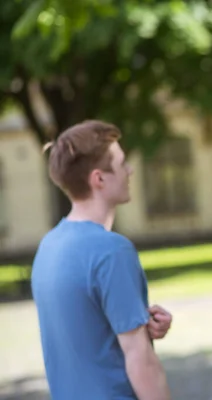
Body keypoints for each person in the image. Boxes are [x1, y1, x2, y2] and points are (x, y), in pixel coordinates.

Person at [31, 120, 172, 400]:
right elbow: (140, 361)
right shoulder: (112, 251)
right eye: (121, 164)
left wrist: (141, 323)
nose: (129, 170)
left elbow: (84, 333)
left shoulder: (48, 246)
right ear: (99, 179)